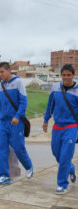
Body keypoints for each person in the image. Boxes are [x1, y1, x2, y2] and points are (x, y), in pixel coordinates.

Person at [0, 62, 33, 186]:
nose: (0, 75)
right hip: (3, 122)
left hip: (15, 122)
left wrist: (17, 116)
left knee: (18, 148)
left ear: (9, 70)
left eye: (2, 72)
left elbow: (23, 102)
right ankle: (4, 176)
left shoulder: (18, 82)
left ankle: (28, 166)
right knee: (1, 149)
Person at [43, 64, 77, 194]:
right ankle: (71, 168)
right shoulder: (56, 87)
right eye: (64, 75)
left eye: (69, 75)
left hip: (71, 126)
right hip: (57, 126)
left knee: (65, 157)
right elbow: (50, 105)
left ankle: (62, 184)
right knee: (57, 154)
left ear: (73, 75)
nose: (66, 77)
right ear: (61, 75)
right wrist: (46, 120)